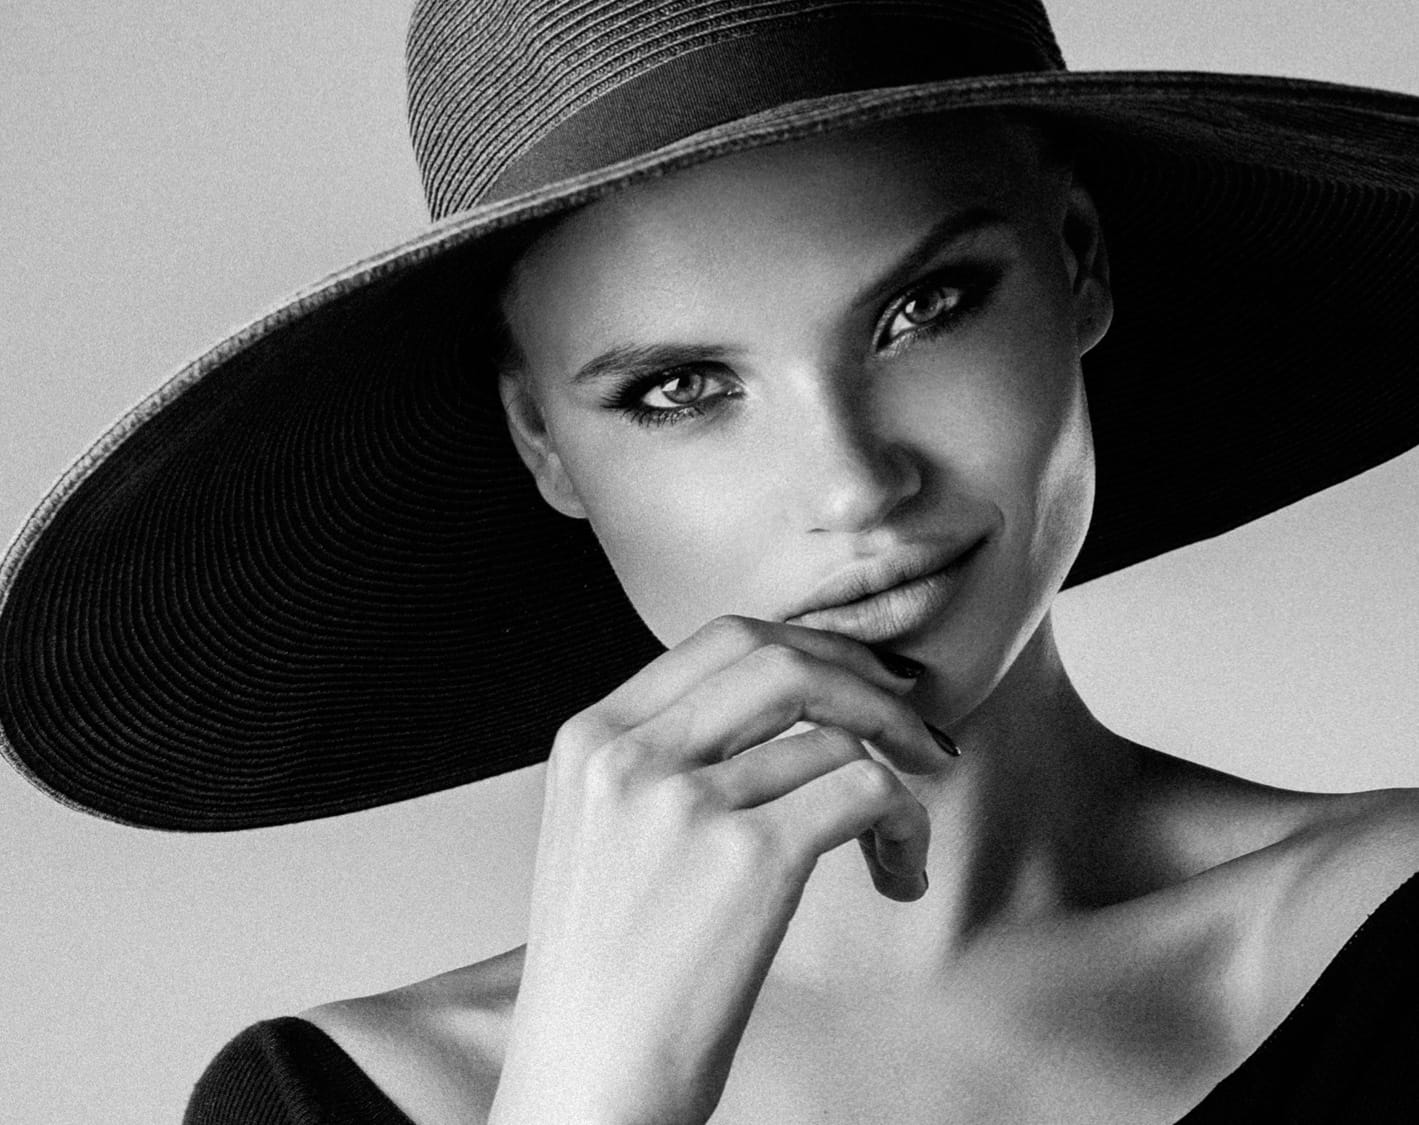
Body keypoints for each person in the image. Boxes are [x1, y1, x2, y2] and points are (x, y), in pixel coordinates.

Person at [2, 1, 1416, 1122]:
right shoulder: (340, 1104)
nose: (855, 482)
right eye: (681, 389)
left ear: (1078, 259)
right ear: (541, 439)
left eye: (925, 307)